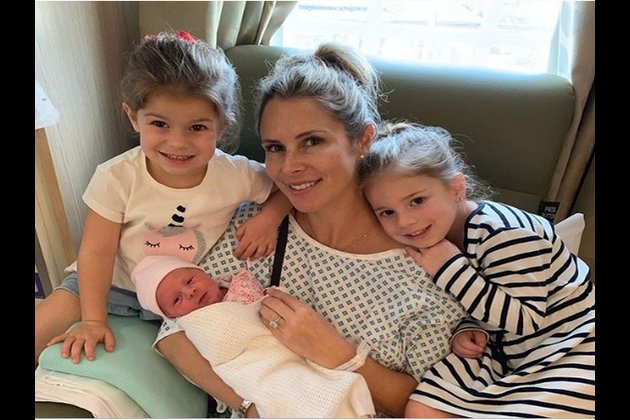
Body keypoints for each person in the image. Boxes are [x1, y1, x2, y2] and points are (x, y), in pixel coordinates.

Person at [153, 42, 467, 418]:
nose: (290, 167)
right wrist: (249, 406)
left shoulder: (426, 266)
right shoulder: (251, 230)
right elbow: (173, 332)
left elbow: (441, 406)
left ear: (363, 139)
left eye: (312, 142)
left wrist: (339, 354)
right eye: (275, 148)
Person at [34, 31, 291, 368]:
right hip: (108, 285)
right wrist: (93, 320)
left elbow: (286, 186)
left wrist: (268, 218)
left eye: (197, 128)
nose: (178, 143)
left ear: (222, 126)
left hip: (183, 302)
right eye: (159, 124)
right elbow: (96, 252)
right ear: (133, 117)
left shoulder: (235, 174)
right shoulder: (116, 176)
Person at [358, 121, 595, 418]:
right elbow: (482, 300)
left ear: (457, 188)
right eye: (387, 212)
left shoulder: (503, 234)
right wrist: (468, 328)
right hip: (506, 350)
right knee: (422, 407)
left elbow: (526, 320)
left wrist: (451, 269)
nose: (405, 221)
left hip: (572, 342)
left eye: (417, 201)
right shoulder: (435, 240)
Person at [131, 255, 376, 418]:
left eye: (190, 280)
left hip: (292, 354)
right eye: (177, 300)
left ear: (204, 273)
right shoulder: (188, 327)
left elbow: (272, 303)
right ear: (171, 316)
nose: (191, 292)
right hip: (253, 371)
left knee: (319, 389)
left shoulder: (240, 282)